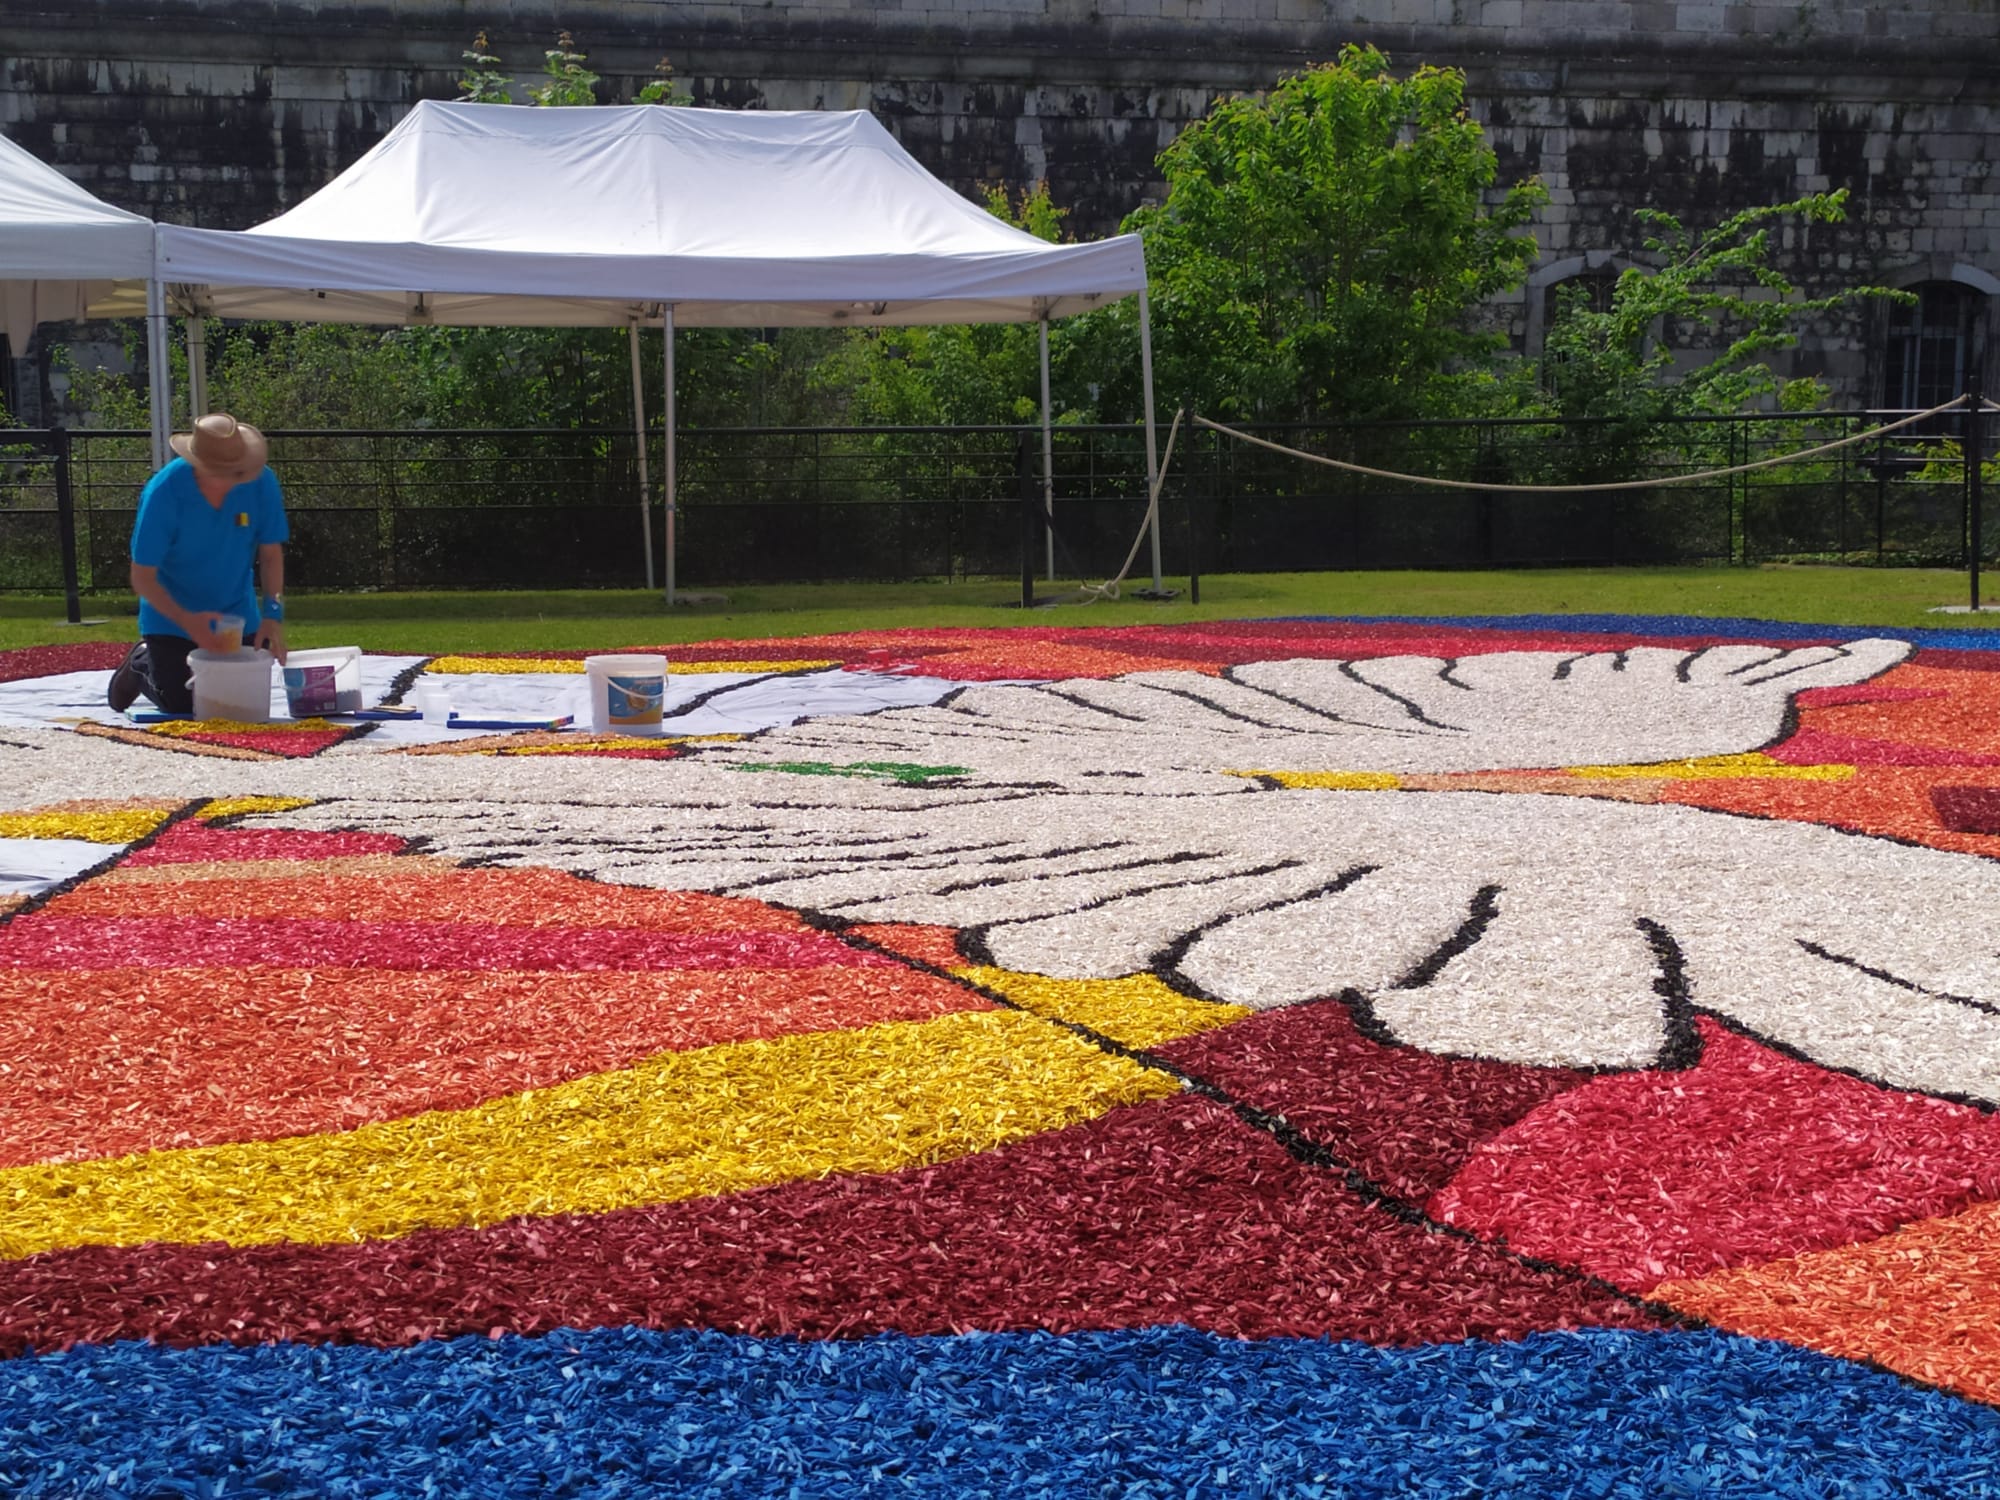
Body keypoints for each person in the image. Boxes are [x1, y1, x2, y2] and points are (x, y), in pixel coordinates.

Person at [106, 412, 290, 715]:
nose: (235, 480)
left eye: (239, 470)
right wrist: (189, 621)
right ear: (198, 464)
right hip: (170, 618)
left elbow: (271, 554)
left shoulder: (261, 481)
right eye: (223, 472)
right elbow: (142, 577)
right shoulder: (164, 492)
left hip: (236, 615)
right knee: (183, 704)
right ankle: (141, 663)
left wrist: (272, 613)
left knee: (235, 703)